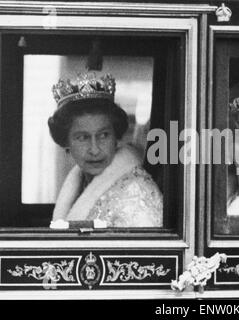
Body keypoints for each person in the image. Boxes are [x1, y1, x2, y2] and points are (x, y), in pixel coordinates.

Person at [48, 73, 163, 228]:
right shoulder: (77, 183)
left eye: (103, 135)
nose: (95, 150)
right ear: (66, 142)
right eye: (83, 138)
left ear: (116, 137)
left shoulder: (136, 192)